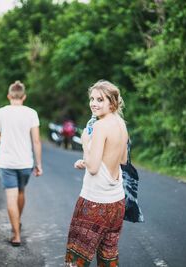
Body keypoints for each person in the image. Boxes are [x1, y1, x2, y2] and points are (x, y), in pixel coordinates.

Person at [65, 80, 128, 267]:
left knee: (77, 258)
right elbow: (122, 159)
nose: (93, 103)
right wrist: (89, 161)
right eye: (92, 98)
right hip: (117, 203)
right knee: (108, 258)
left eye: (100, 99)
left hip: (94, 202)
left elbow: (93, 168)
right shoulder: (121, 124)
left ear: (112, 103)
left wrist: (85, 141)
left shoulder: (100, 126)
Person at [0, 80, 43, 247]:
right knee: (21, 192)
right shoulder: (32, 113)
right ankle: (17, 223)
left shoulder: (1, 112)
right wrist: (39, 164)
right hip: (25, 162)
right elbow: (36, 141)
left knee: (10, 198)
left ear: (9, 96)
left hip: (6, 162)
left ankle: (16, 235)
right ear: (24, 97)